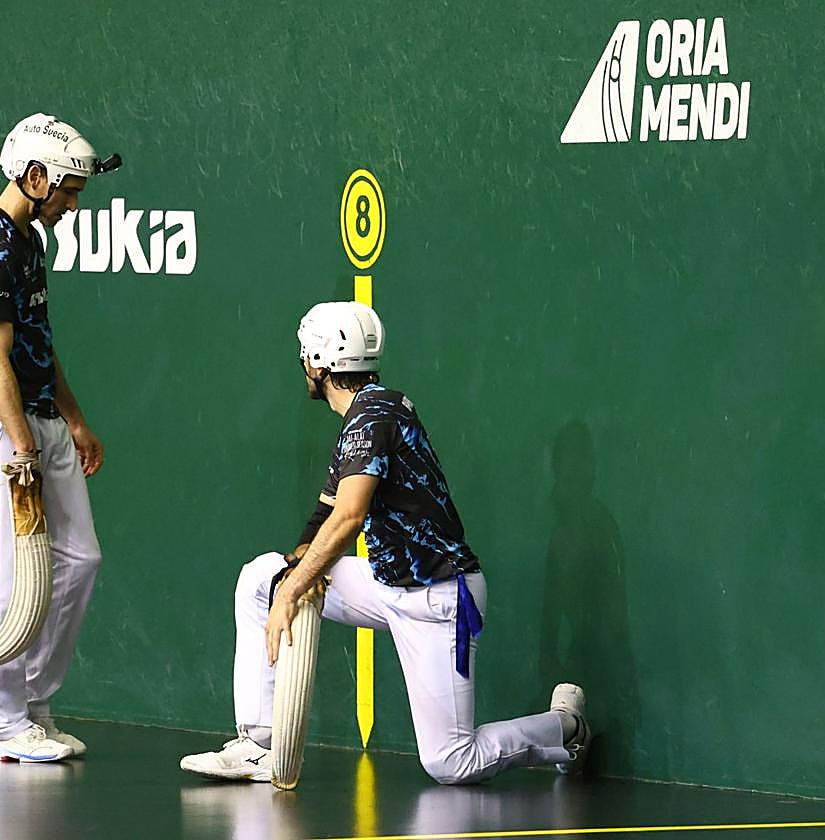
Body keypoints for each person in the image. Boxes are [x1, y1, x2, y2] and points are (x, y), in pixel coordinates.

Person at [180, 301, 590, 784]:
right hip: (383, 582)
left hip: (440, 597)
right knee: (261, 579)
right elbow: (325, 515)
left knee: (450, 762)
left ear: (318, 362)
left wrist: (294, 590)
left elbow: (350, 516)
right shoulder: (361, 418)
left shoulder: (376, 417)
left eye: (303, 355)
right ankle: (260, 744)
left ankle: (566, 728)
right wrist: (292, 573)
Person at [0, 113, 118, 762]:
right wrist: (20, 447)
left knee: (79, 559)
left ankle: (34, 702)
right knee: (9, 577)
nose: (73, 205)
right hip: (2, 429)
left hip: (44, 420)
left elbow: (37, 348)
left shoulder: (28, 242)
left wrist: (72, 419)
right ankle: (5, 726)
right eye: (69, 192)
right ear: (34, 176)